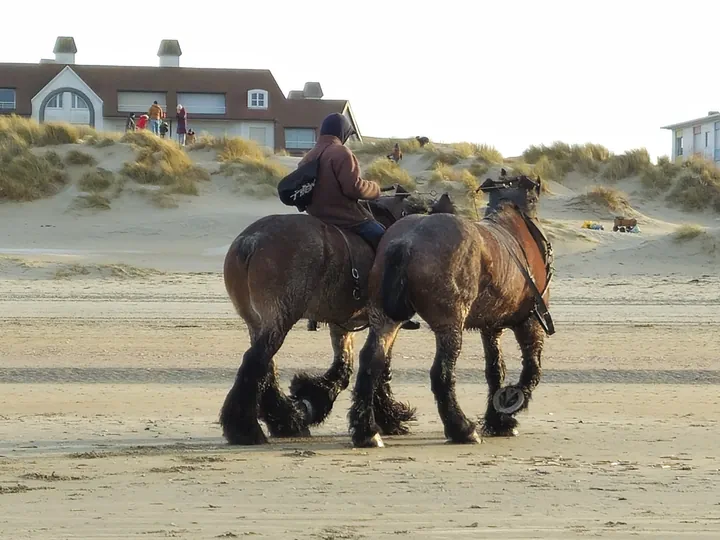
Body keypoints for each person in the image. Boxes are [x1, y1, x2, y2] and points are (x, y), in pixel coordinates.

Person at [300, 112, 386, 250]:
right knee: (383, 237)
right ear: (342, 133)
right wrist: (375, 188)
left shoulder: (308, 156)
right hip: (344, 217)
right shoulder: (341, 152)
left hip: (316, 217)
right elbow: (354, 188)